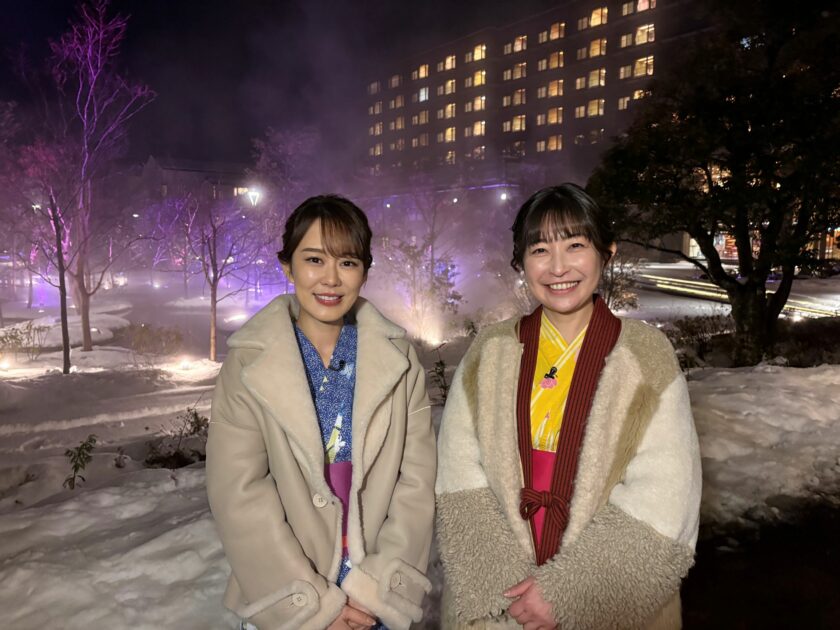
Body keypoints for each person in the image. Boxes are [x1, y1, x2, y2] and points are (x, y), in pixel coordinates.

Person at [436, 184, 702, 630]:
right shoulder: (490, 349)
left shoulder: (646, 355)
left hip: (609, 597)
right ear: (521, 263)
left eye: (575, 245)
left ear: (606, 252)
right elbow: (458, 474)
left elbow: (667, 495)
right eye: (540, 250)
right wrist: (504, 587)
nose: (558, 267)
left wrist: (569, 592)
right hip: (505, 600)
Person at [207, 194, 436, 630]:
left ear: (364, 271)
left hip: (373, 591)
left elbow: (417, 481)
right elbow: (237, 492)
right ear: (287, 266)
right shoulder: (248, 362)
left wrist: (376, 589)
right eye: (314, 259)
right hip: (289, 584)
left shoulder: (399, 359)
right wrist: (314, 608)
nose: (331, 279)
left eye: (347, 262)